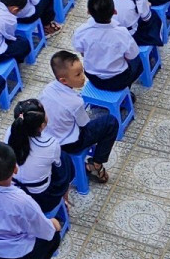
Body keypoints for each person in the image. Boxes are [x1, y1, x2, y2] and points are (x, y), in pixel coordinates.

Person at [39, 49, 117, 183]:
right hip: (70, 143)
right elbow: (84, 124)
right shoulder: (75, 102)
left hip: (48, 140)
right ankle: (96, 164)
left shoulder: (48, 89)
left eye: (82, 71)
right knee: (111, 122)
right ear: (63, 80)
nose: (83, 77)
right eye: (78, 74)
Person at [7, 99, 69, 213]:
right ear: (41, 125)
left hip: (14, 194)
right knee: (64, 159)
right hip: (41, 200)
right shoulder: (50, 144)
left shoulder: (10, 133)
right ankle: (65, 199)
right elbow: (57, 164)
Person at [73, 0, 142, 91]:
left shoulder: (81, 31)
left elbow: (82, 52)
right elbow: (131, 56)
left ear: (88, 11)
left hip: (92, 76)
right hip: (119, 79)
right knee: (138, 62)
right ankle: (126, 93)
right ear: (114, 11)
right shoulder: (122, 33)